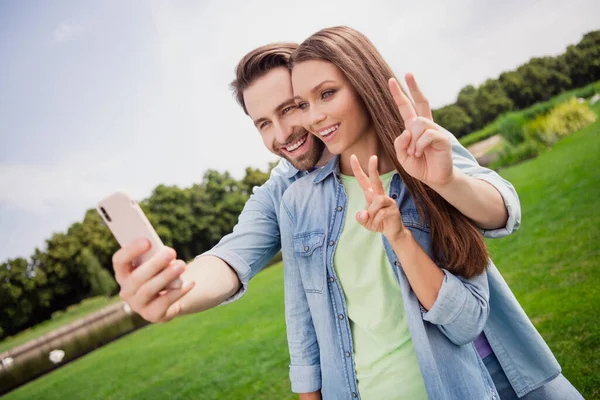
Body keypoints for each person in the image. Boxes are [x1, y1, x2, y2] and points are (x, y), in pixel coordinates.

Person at [110, 42, 521, 395]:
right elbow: (233, 256)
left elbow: (501, 207)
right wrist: (179, 290)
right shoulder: (286, 192)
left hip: (490, 365)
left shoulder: (414, 142)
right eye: (263, 123)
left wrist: (446, 182)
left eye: (291, 108)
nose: (283, 133)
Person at [281, 26, 582, 400]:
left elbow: (504, 212)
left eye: (327, 93)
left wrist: (447, 181)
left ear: (362, 83)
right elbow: (302, 324)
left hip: (485, 373)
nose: (314, 116)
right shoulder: (298, 201)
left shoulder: (422, 146)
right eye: (303, 104)